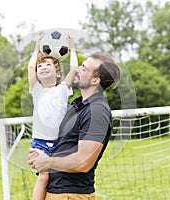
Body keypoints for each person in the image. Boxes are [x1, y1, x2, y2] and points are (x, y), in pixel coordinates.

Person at [28, 51, 120, 200]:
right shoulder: (75, 106)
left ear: (95, 80)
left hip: (70, 194)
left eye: (83, 68)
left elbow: (83, 162)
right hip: (56, 192)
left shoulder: (97, 111)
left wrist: (48, 162)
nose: (77, 69)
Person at [28, 34, 78, 200]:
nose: (42, 67)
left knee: (58, 179)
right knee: (43, 177)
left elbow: (74, 70)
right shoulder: (37, 90)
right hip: (40, 142)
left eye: (48, 64)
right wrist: (36, 49)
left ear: (57, 73)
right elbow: (30, 68)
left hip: (59, 143)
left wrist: (72, 49)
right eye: (40, 65)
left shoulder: (63, 89)